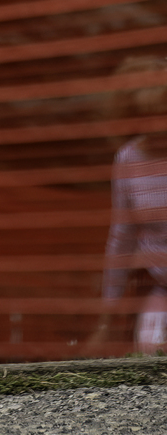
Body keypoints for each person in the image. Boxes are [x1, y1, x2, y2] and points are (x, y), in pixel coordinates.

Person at [88, 54, 167, 356]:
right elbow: (121, 239)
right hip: (162, 286)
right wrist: (106, 323)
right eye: (146, 115)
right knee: (150, 348)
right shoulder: (128, 159)